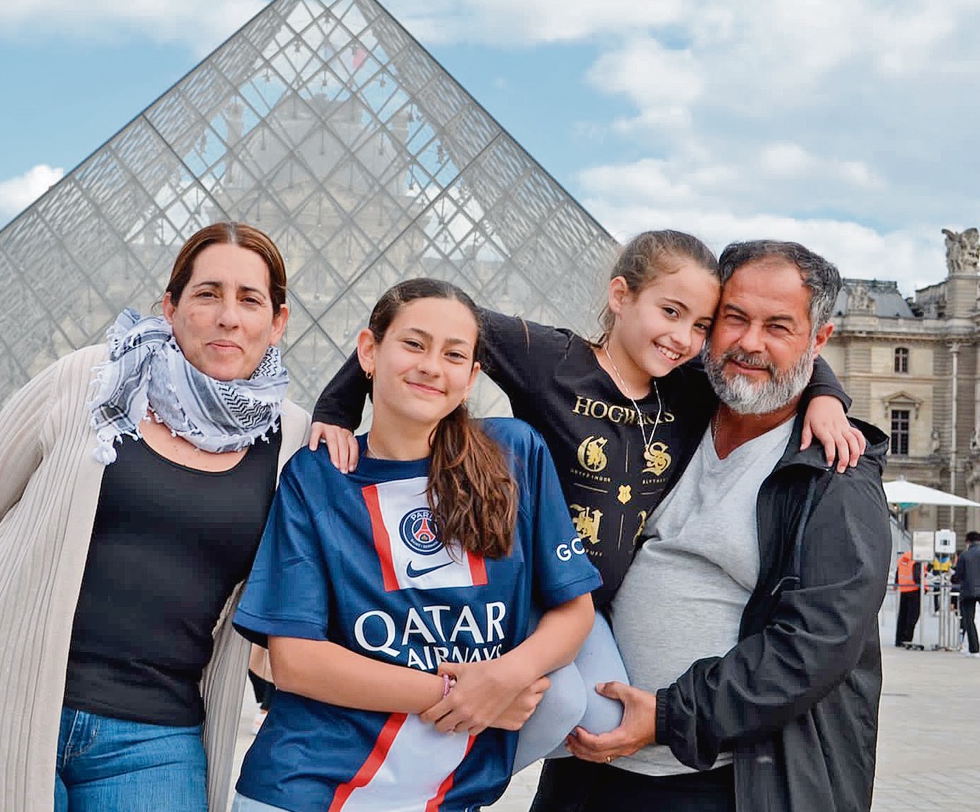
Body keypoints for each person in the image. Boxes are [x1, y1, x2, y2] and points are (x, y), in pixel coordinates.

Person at [310, 231, 862, 806]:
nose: (684, 338)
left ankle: (454, 789)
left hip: (586, 608)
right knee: (544, 703)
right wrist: (338, 408)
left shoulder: (688, 387)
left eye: (700, 325)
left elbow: (776, 358)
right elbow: (427, 318)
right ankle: (431, 782)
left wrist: (826, 395)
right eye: (671, 312)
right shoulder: (549, 357)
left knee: (586, 715)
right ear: (620, 295)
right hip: (518, 588)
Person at [0, 222, 310, 812]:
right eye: (207, 293)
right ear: (171, 307)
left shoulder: (295, 437)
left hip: (158, 735)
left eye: (249, 299)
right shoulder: (85, 379)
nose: (228, 316)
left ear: (278, 321)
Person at [232, 278, 602, 812]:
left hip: (447, 794)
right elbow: (295, 662)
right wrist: (461, 695)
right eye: (413, 344)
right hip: (309, 788)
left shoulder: (516, 455)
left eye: (454, 354)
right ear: (368, 351)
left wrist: (505, 676)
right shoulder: (317, 475)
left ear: (472, 376)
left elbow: (574, 611)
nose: (432, 366)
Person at [565, 240, 890, 812]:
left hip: (725, 785)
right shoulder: (666, 410)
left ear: (818, 340)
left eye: (778, 326)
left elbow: (813, 647)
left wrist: (666, 717)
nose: (749, 342)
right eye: (734, 318)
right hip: (593, 771)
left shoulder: (836, 474)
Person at [954, 531, 980, 657]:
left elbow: (957, 575)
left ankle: (974, 649)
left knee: (969, 620)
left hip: (968, 590)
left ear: (968, 541)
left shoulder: (964, 555)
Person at [895, 547, 922, 647]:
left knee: (902, 615)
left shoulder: (904, 557)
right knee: (913, 616)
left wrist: (896, 583)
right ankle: (907, 638)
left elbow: (898, 571)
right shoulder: (916, 559)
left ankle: (898, 639)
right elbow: (917, 576)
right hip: (914, 590)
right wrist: (924, 588)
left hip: (903, 588)